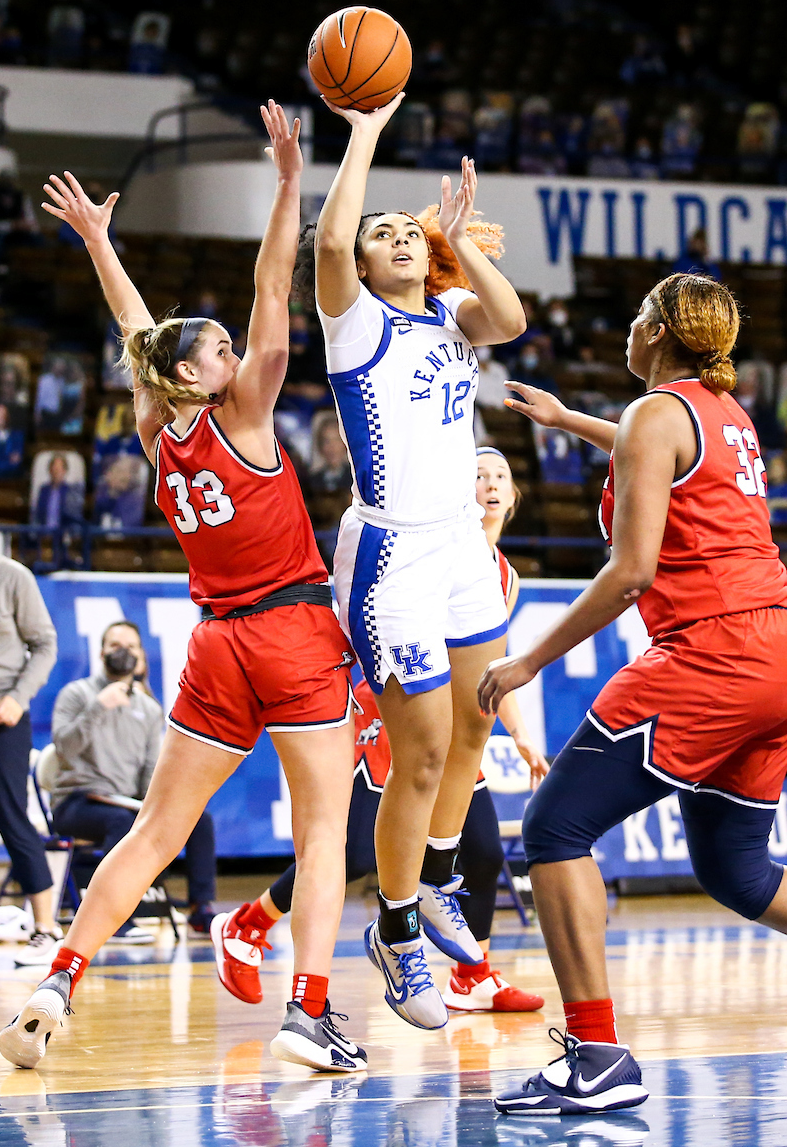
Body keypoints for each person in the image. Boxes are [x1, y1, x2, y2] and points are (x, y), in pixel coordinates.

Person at [0, 103, 366, 1075]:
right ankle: (309, 1010)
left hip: (217, 645)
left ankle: (57, 977)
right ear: (205, 374)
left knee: (158, 832)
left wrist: (99, 245)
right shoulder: (244, 410)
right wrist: (288, 185)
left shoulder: (159, 429)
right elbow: (269, 285)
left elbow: (136, 333)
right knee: (325, 824)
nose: (236, 355)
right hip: (288, 631)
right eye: (220, 352)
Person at [478, 272, 787, 1116]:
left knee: (554, 826)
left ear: (656, 330)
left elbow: (632, 573)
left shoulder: (659, 414)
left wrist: (527, 662)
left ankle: (597, 1055)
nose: (626, 328)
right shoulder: (727, 413)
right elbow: (650, 443)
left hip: (711, 651)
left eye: (636, 317)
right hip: (775, 651)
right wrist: (567, 420)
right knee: (736, 871)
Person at [297, 107, 527, 1030]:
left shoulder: (450, 314)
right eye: (378, 234)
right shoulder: (355, 326)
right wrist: (364, 132)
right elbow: (329, 240)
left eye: (404, 230)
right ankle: (396, 934)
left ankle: (435, 880)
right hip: (391, 552)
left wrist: (456, 242)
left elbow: (508, 318)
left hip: (461, 548)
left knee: (475, 728)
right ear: (359, 264)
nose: (393, 239)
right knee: (423, 749)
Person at [211, 448, 548, 1014]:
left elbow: (487, 674)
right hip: (393, 710)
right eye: (479, 476)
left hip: (458, 730)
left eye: (501, 477)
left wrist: (516, 733)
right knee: (355, 852)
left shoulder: (504, 576)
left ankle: (473, 976)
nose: (490, 485)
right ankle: (249, 923)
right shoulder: (424, 551)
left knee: (484, 850)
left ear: (515, 499)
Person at [50, 620, 216, 941]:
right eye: (115, 645)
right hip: (78, 802)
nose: (122, 652)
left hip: (127, 802)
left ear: (140, 655)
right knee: (122, 821)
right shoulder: (77, 694)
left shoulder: (148, 707)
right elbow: (65, 751)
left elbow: (151, 770)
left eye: (130, 646)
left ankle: (201, 910)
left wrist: (163, 808)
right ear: (101, 653)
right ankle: (114, 920)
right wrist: (99, 708)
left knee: (199, 818)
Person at [0, 505, 59, 966]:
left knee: (13, 816)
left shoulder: (12, 577)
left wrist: (18, 697)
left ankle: (47, 927)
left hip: (2, 714)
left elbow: (46, 643)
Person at [34, 453, 83, 529]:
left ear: (64, 471)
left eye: (59, 469)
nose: (56, 472)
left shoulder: (70, 491)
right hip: (44, 534)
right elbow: (37, 515)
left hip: (63, 534)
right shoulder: (43, 490)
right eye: (54, 469)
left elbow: (73, 517)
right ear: (50, 471)